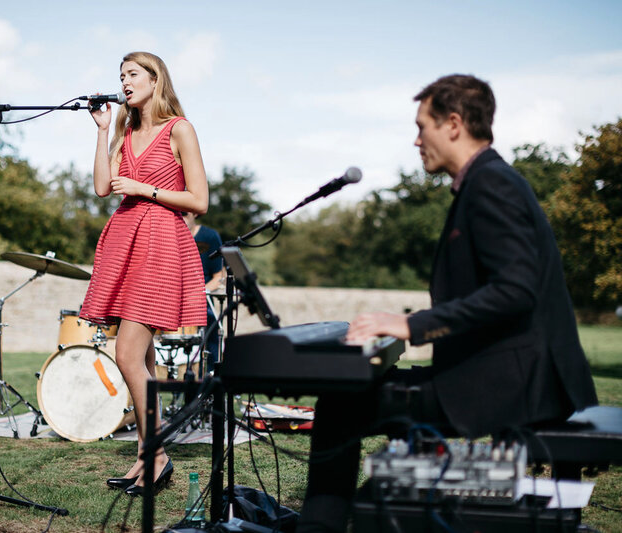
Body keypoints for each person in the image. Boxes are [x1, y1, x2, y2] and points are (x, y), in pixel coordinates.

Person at [297, 74, 598, 532]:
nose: (416, 140)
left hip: (518, 383)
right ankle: (373, 506)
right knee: (358, 400)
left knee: (343, 405)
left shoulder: (492, 184)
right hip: (513, 371)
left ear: (454, 123)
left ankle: (321, 528)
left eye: (423, 127)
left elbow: (515, 292)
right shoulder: (487, 181)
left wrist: (412, 327)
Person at [79, 51, 208, 497]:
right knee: (145, 359)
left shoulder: (180, 129)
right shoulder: (125, 131)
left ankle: (157, 453)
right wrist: (101, 132)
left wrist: (145, 189)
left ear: (156, 80)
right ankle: (143, 457)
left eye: (133, 74)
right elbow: (101, 188)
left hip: (161, 245)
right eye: (121, 75)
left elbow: (199, 200)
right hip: (123, 244)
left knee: (127, 353)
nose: (125, 81)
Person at [181, 211, 224, 364]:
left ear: (194, 213)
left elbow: (218, 277)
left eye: (184, 213)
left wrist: (198, 294)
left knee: (211, 324)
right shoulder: (168, 236)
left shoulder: (210, 237)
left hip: (200, 302)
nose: (180, 217)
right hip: (172, 300)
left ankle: (209, 373)